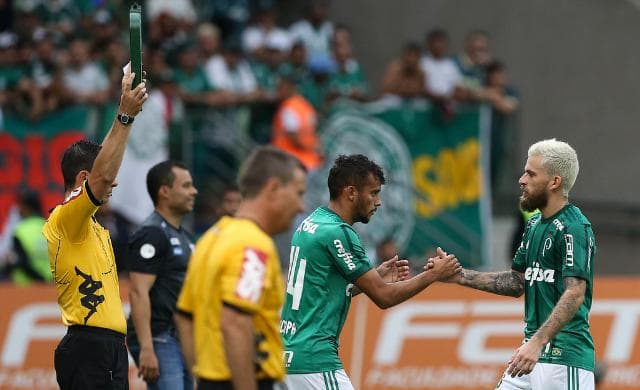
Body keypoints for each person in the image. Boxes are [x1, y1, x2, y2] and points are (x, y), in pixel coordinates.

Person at [281, 154, 461, 389]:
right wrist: (433, 275)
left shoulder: (312, 223)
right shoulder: (339, 233)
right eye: (374, 193)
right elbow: (384, 297)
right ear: (351, 192)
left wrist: (372, 276)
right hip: (315, 360)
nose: (378, 202)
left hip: (290, 355)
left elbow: (325, 290)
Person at [445, 139, 596, 389]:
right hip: (529, 356)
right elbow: (516, 282)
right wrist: (458, 275)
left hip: (563, 358)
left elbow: (575, 293)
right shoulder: (534, 224)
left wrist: (536, 343)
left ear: (554, 182)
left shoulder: (574, 228)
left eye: (530, 173)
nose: (521, 180)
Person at [42, 69, 147, 390]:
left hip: (108, 348)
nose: (113, 181)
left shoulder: (94, 227)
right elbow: (101, 180)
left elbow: (101, 177)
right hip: (89, 347)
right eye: (105, 172)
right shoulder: (66, 219)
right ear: (83, 177)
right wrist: (125, 114)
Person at [174, 146, 307, 390]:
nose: (302, 207)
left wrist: (202, 379)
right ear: (273, 188)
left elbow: (185, 318)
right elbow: (235, 322)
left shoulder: (211, 238)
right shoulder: (253, 245)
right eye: (299, 193)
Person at [126, 161, 198, 390]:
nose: (194, 191)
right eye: (186, 186)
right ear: (164, 191)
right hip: (160, 336)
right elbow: (138, 291)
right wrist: (147, 347)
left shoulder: (185, 237)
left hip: (180, 337)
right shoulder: (152, 234)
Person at [7, 189, 52, 285]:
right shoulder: (50, 228)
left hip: (26, 290)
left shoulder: (20, 231)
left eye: (20, 206)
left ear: (26, 208)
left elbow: (20, 262)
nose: (19, 210)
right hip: (51, 288)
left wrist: (40, 280)